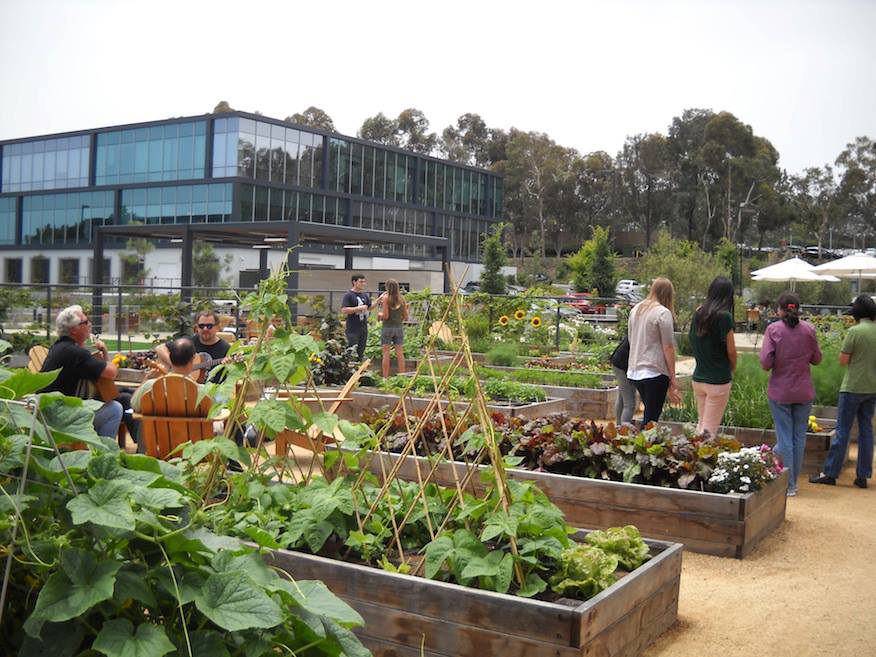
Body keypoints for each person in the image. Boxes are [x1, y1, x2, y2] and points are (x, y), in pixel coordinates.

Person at [759, 291, 822, 496]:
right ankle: (793, 482)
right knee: (798, 438)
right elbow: (817, 359)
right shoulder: (809, 330)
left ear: (779, 310)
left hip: (781, 391)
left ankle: (789, 484)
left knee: (785, 438)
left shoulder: (773, 330)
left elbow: (766, 363)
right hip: (804, 391)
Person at [810, 294, 876, 489]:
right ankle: (863, 475)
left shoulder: (855, 331)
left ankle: (830, 472)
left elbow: (843, 360)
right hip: (872, 388)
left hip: (852, 387)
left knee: (843, 430)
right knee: (866, 431)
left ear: (857, 311)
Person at [39, 305, 123, 439]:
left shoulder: (60, 347)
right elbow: (111, 372)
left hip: (46, 412)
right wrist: (105, 350)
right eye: (85, 322)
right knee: (114, 409)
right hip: (60, 417)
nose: (89, 324)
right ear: (74, 329)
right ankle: (104, 453)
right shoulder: (75, 353)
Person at [626, 277, 680, 425]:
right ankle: (645, 445)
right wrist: (673, 378)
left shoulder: (636, 309)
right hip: (654, 371)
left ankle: (640, 443)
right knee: (651, 419)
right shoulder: (663, 313)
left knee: (648, 415)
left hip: (635, 371)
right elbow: (668, 347)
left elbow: (631, 339)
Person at [689, 276, 737, 436]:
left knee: (701, 426)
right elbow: (731, 350)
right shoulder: (724, 317)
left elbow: (692, 340)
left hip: (699, 378)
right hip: (718, 380)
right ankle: (700, 459)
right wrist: (732, 369)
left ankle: (692, 457)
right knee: (708, 432)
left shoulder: (698, 313)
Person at [156, 309, 230, 382]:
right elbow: (160, 348)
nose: (205, 329)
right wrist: (174, 365)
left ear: (217, 327)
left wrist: (230, 365)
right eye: (201, 326)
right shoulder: (188, 343)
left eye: (209, 326)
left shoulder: (226, 348)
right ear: (197, 328)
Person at [132, 337, 201, 411]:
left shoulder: (149, 386)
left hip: (157, 423)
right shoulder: (202, 391)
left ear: (170, 356)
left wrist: (146, 380)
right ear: (193, 358)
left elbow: (134, 405)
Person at [341, 274, 377, 360]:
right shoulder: (348, 295)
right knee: (352, 351)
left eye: (364, 282)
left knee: (361, 351)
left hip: (363, 327)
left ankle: (359, 370)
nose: (363, 284)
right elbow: (344, 310)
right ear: (354, 282)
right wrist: (357, 308)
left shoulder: (364, 295)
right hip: (352, 328)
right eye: (361, 282)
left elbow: (369, 307)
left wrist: (379, 300)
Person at [378, 279, 409, 377]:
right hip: (399, 328)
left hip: (387, 327)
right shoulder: (402, 299)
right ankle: (402, 376)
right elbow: (406, 317)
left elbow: (386, 316)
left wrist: (380, 315)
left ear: (387, 287)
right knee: (400, 353)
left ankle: (385, 377)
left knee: (386, 353)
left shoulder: (386, 298)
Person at [610, 334, 638, 425]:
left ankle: (618, 427)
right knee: (629, 404)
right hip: (623, 365)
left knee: (622, 397)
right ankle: (623, 433)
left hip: (619, 362)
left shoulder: (638, 325)